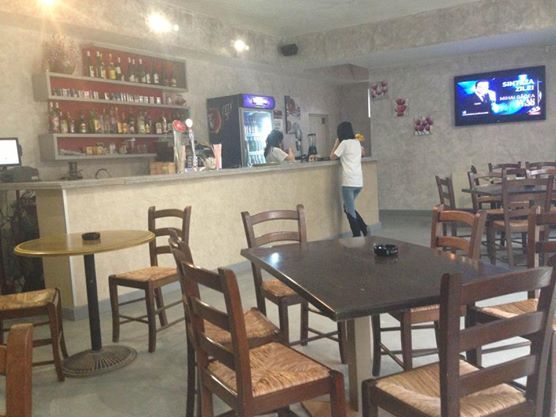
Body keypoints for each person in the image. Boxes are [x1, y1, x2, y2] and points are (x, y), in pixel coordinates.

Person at [330, 121, 367, 237]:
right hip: (358, 182)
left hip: (348, 182)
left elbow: (332, 157)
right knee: (348, 207)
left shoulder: (344, 143)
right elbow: (363, 154)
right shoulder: (356, 142)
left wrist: (336, 143)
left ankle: (357, 234)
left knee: (349, 210)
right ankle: (364, 228)